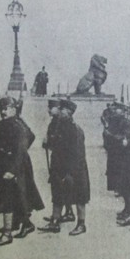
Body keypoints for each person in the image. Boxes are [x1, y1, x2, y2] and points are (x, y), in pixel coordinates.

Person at [0, 96, 44, 246]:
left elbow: (21, 149)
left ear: (14, 109)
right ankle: (25, 224)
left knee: (11, 197)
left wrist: (13, 169)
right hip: (1, 165)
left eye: (7, 109)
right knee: (14, 195)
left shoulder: (18, 126)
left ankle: (7, 233)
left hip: (15, 166)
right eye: (2, 109)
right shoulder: (0, 125)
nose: (4, 112)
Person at [39, 99, 90, 235]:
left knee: (80, 197)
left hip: (74, 170)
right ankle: (55, 222)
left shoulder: (75, 129)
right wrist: (47, 143)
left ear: (69, 112)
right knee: (57, 195)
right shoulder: (58, 126)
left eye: (62, 110)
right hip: (58, 166)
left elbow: (77, 154)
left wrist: (69, 173)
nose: (59, 112)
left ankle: (81, 224)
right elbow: (55, 145)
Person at [102, 101, 128, 196]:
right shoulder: (111, 120)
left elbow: (124, 135)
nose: (114, 110)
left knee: (120, 169)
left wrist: (111, 135)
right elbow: (106, 132)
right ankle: (116, 188)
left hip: (120, 150)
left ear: (121, 110)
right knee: (112, 170)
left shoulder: (125, 121)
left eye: (117, 108)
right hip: (112, 149)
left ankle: (120, 188)